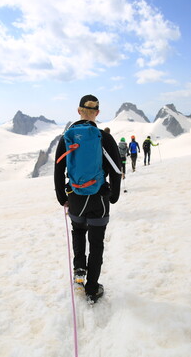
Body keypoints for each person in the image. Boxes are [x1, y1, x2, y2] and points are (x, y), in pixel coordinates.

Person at [54, 94, 122, 304]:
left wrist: (61, 197)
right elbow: (116, 169)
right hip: (99, 199)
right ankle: (92, 288)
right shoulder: (104, 137)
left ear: (78, 111)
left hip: (75, 198)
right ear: (97, 113)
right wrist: (114, 196)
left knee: (78, 232)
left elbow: (58, 168)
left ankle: (79, 270)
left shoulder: (68, 137)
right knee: (96, 242)